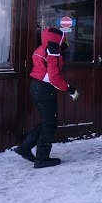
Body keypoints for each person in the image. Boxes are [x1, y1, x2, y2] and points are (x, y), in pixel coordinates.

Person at [14, 27, 79, 168]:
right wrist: (69, 89)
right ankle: (42, 159)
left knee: (47, 121)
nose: (65, 43)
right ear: (58, 39)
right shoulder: (52, 52)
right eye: (63, 40)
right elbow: (54, 77)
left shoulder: (41, 49)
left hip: (35, 87)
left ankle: (25, 148)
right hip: (45, 89)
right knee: (50, 123)